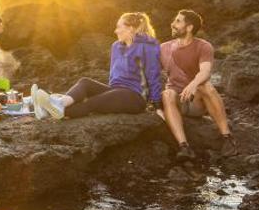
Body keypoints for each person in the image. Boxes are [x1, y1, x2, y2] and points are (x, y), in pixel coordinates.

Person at [32, 12, 163, 119]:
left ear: (130, 28)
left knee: (91, 103)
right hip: (114, 92)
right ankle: (56, 106)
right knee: (85, 82)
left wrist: (157, 107)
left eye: (119, 27)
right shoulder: (116, 46)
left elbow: (154, 77)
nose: (115, 31)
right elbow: (114, 78)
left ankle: (51, 108)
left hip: (134, 98)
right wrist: (107, 95)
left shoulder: (148, 46)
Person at [158, 9, 234, 160]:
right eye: (174, 21)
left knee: (205, 86)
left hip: (195, 102)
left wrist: (193, 84)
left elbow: (205, 71)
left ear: (189, 27)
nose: (173, 24)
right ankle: (184, 147)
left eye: (178, 21)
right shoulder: (163, 48)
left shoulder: (203, 46)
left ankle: (228, 139)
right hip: (175, 102)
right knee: (166, 93)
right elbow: (150, 74)